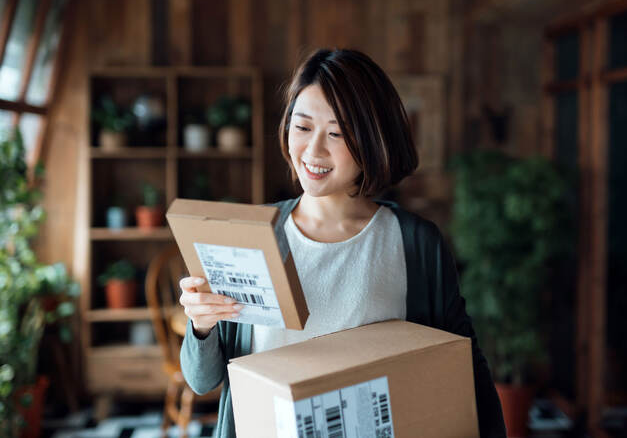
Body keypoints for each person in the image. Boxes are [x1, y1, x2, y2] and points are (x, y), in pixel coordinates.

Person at [178, 48, 507, 438]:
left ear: (372, 140)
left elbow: (463, 365)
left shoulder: (415, 243)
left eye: (336, 133)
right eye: (302, 127)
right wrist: (201, 326)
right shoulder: (251, 237)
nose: (314, 151)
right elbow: (203, 381)